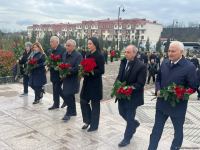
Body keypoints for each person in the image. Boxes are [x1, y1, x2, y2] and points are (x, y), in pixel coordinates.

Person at [148, 41, 197, 150]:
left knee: (178, 132)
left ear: (181, 52)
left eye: (173, 51)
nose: (170, 53)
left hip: (178, 107)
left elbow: (193, 87)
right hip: (161, 105)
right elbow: (158, 79)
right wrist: (158, 89)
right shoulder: (164, 62)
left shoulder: (190, 67)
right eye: (169, 50)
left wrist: (180, 94)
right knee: (156, 130)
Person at [115, 45, 147, 147]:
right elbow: (119, 76)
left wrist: (128, 88)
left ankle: (127, 138)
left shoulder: (141, 66)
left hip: (133, 96)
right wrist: (116, 85)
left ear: (134, 53)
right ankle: (134, 124)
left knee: (129, 117)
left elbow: (140, 83)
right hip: (121, 94)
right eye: (125, 52)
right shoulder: (124, 62)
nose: (126, 54)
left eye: (128, 52)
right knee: (121, 112)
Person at [80, 37, 105, 132]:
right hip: (87, 82)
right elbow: (84, 65)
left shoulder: (100, 55)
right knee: (83, 101)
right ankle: (87, 120)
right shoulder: (87, 54)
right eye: (88, 43)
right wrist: (83, 70)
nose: (88, 45)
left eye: (90, 43)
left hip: (95, 84)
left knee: (95, 105)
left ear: (95, 44)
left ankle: (94, 125)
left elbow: (102, 70)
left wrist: (91, 70)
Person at [61, 39, 82, 121]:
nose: (67, 47)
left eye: (69, 45)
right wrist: (62, 70)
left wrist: (68, 70)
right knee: (69, 96)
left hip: (73, 79)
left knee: (67, 95)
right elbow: (62, 64)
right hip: (66, 78)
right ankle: (73, 112)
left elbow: (78, 68)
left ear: (74, 46)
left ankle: (68, 113)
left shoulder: (78, 55)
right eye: (66, 45)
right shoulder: (64, 54)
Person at [47, 36, 65, 110]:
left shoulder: (62, 50)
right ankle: (56, 104)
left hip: (59, 73)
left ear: (57, 42)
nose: (50, 43)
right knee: (55, 89)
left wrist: (57, 64)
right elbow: (50, 59)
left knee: (57, 88)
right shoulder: (51, 50)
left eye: (52, 41)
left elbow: (63, 61)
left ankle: (66, 100)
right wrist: (48, 64)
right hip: (53, 73)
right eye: (50, 41)